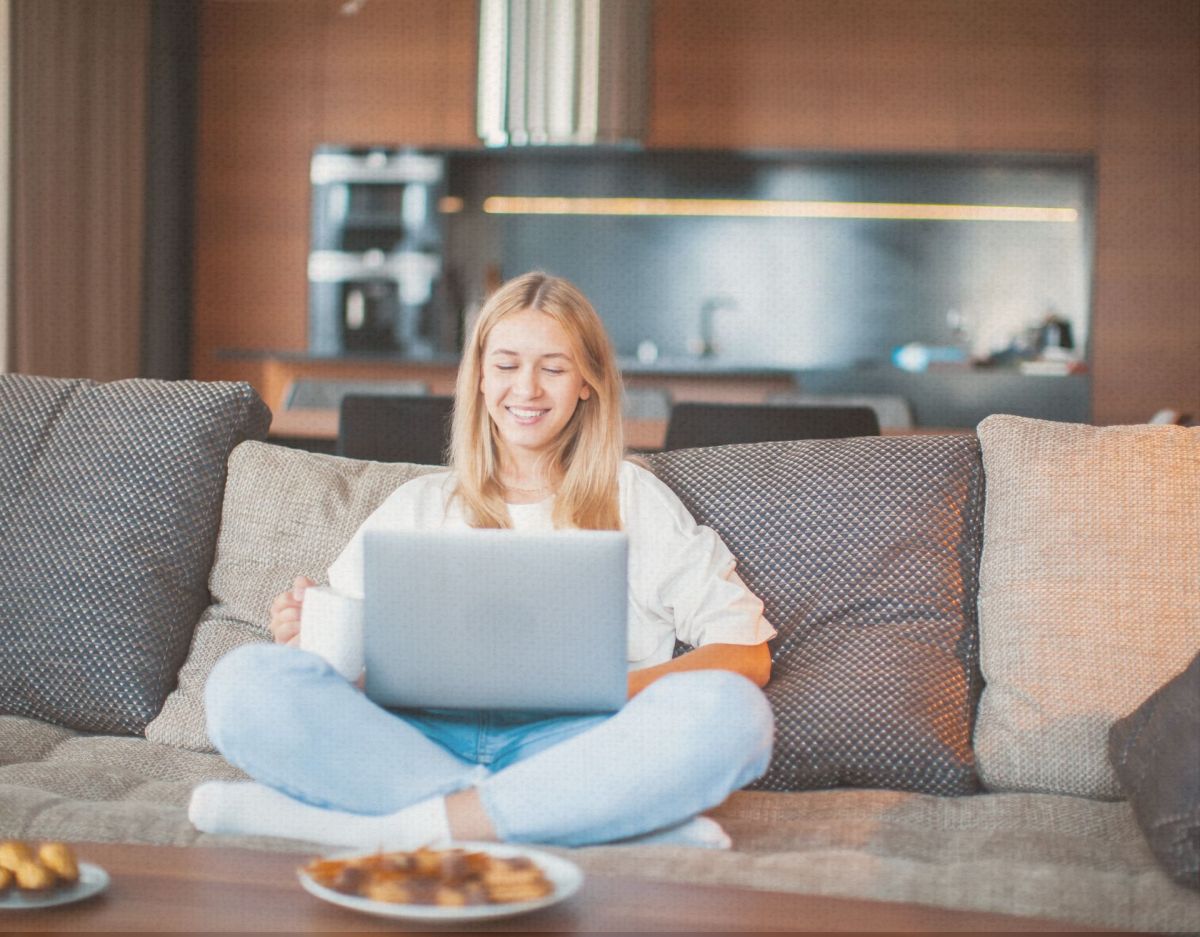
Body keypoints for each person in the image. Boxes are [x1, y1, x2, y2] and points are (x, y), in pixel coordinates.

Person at [190, 272, 776, 850]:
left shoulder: (635, 498)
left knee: (735, 716)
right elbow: (343, 671)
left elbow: (745, 654)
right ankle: (559, 817)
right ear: (478, 378)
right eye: (506, 365)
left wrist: (618, 689)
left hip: (577, 744)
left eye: (553, 367)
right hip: (414, 738)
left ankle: (408, 827)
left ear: (587, 383)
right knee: (244, 682)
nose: (527, 389)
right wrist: (304, 635)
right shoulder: (419, 504)